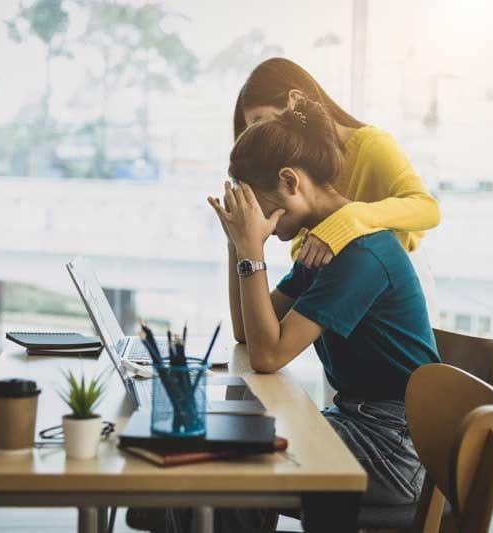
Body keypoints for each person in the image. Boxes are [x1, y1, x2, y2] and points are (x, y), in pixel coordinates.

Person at [164, 96, 441, 533]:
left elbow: (268, 355)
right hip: (360, 424)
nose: (263, 224)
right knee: (204, 454)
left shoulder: (360, 254)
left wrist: (253, 249)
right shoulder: (323, 244)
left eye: (259, 207)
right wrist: (238, 243)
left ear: (290, 181)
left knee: (222, 469)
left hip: (393, 450)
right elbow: (248, 331)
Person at [234, 57, 441, 324]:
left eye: (260, 123)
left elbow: (427, 208)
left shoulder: (371, 145)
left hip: (392, 296)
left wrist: (347, 219)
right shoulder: (302, 174)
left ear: (295, 101)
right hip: (341, 288)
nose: (260, 138)